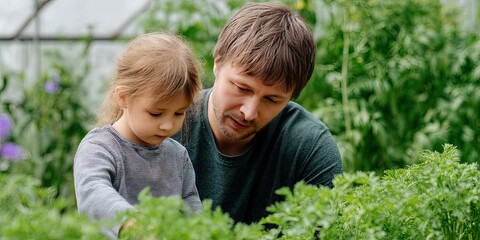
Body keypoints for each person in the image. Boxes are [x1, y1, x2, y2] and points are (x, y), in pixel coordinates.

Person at [173, 2, 343, 224]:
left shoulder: (309, 147)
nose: (249, 112)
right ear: (217, 62)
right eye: (242, 88)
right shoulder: (165, 122)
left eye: (272, 99)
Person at [73, 32, 203, 239]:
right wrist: (130, 223)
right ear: (123, 97)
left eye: (179, 113)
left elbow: (189, 203)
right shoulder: (100, 147)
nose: (168, 125)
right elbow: (93, 192)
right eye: (155, 113)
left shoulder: (177, 156)